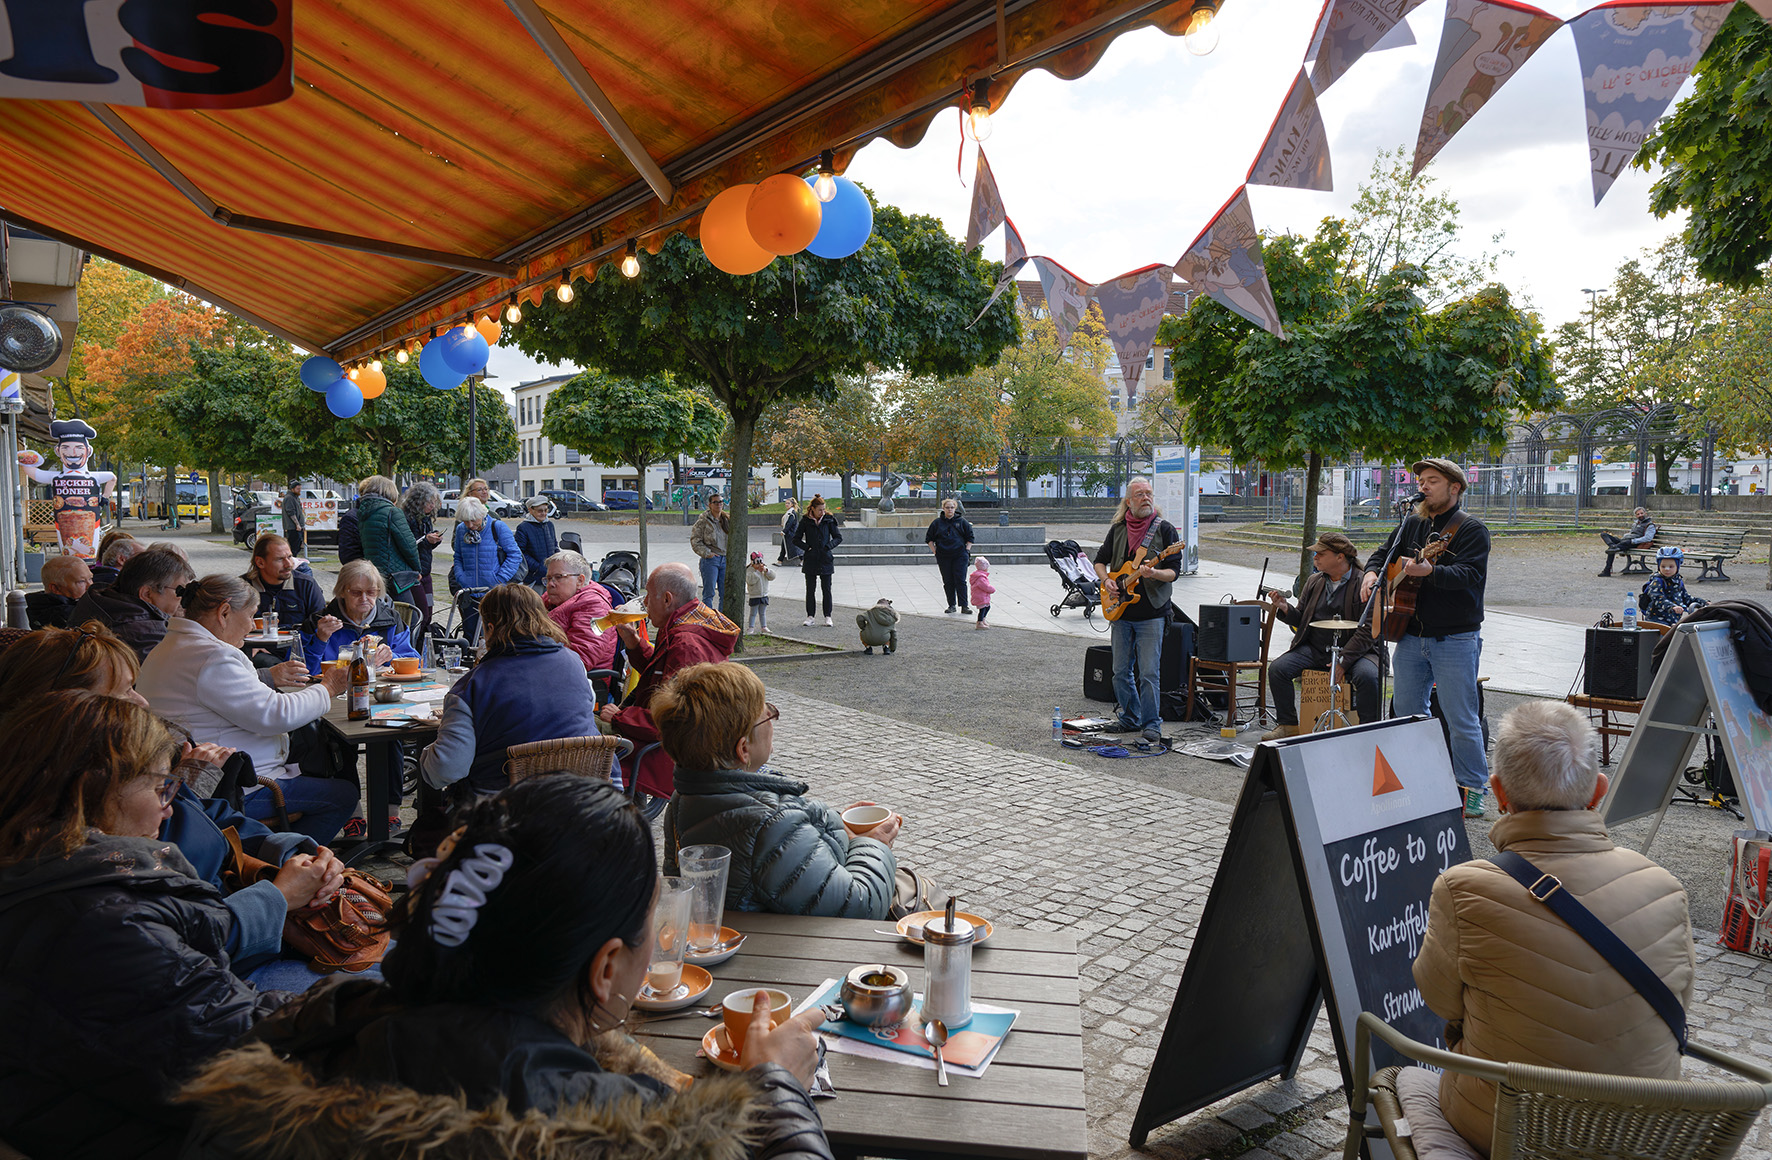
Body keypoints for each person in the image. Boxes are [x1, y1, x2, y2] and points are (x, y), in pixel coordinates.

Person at [178, 776, 833, 1160]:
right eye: (648, 932)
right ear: (606, 969)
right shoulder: (631, 1133)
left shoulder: (318, 1041)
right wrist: (778, 1092)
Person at [0, 691, 291, 1159]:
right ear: (92, 788)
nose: (170, 806)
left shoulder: (52, 872)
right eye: (161, 787)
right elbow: (247, 1055)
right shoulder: (97, 921)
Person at [1409, 702, 1695, 1159]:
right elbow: (1675, 1008)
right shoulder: (1665, 888)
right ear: (1598, 791)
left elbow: (1441, 1003)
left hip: (1507, 1130)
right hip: (1638, 1133)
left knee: (1409, 1076)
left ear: (1498, 791)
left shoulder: (1462, 888)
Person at [0, 625, 344, 977]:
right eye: (121, 693)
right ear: (67, 712)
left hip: (256, 930)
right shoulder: (82, 822)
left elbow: (213, 816)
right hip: (239, 959)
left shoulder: (128, 773)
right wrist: (276, 899)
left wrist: (294, 852)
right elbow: (176, 950)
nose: (141, 702)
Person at [659, 662, 899, 919]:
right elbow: (861, 905)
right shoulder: (769, 825)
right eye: (766, 714)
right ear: (743, 750)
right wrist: (873, 844)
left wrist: (839, 830)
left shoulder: (684, 799)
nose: (772, 719)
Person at [139, 574, 357, 843]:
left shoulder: (173, 646)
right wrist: (328, 689)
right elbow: (276, 714)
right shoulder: (213, 656)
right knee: (342, 795)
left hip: (192, 776)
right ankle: (287, 862)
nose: (252, 626)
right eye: (251, 616)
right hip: (233, 787)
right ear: (225, 612)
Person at [1360, 458, 1492, 818]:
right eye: (1421, 480)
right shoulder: (1412, 522)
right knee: (1406, 713)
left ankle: (1474, 787)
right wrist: (1371, 574)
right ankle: (1419, 779)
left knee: (1460, 717)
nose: (1423, 486)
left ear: (1455, 488)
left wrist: (1432, 570)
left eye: (1432, 481)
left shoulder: (1471, 530)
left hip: (1454, 638)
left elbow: (1469, 574)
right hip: (1409, 635)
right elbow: (1383, 554)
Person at [421, 584, 599, 797]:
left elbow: (445, 771)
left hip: (502, 808)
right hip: (582, 798)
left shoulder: (473, 686)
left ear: (490, 628)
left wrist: (426, 754)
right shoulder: (574, 663)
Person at [1264, 531, 1380, 740]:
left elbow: (1368, 630)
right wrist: (1284, 608)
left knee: (1368, 676)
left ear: (1340, 556)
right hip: (1317, 648)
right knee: (1278, 669)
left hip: (1358, 652)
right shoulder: (1313, 581)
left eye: (1320, 553)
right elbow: (1302, 620)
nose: (1315, 557)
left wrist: (1343, 662)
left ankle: (1368, 731)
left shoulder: (1364, 583)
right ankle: (1288, 724)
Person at [1093, 478, 1182, 743]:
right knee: (1120, 671)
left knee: (1149, 673)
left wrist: (1154, 572)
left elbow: (1174, 572)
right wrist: (1107, 580)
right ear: (1128, 501)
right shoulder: (1118, 528)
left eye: (1149, 493)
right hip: (1121, 612)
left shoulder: (1165, 530)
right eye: (1139, 494)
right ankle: (1130, 717)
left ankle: (1152, 724)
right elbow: (1099, 561)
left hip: (1152, 613)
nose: (1145, 498)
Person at [67, 545, 194, 662]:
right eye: (180, 591)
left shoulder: (100, 602)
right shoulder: (146, 636)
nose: (184, 599)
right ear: (146, 594)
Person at [302, 559, 420, 673]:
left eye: (371, 592)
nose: (364, 599)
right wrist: (320, 640)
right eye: (356, 592)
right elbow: (300, 671)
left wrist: (391, 657)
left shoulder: (391, 619)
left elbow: (417, 663)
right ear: (342, 592)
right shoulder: (319, 622)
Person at [449, 494, 521, 642]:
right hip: (469, 591)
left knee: (495, 633)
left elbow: (515, 555)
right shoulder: (462, 529)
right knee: (470, 634)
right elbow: (458, 556)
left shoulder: (497, 527)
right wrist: (461, 577)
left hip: (493, 590)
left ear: (482, 515)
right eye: (465, 521)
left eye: (473, 520)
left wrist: (498, 578)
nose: (469, 525)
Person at [544, 548, 617, 674]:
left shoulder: (594, 606)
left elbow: (580, 659)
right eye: (549, 578)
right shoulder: (552, 598)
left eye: (558, 577)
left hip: (582, 683)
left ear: (580, 581)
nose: (551, 584)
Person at [357, 475, 423, 605]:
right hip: (396, 576)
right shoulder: (392, 512)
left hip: (375, 573)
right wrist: (417, 569)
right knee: (410, 617)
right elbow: (408, 545)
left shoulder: (364, 514)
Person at [789, 494, 842, 627]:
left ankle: (828, 616)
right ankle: (810, 616)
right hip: (811, 559)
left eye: (823, 509)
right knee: (810, 589)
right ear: (812, 509)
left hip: (825, 558)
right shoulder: (806, 521)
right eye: (819, 510)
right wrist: (808, 548)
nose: (822, 512)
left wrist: (828, 546)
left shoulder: (829, 520)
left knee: (827, 589)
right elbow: (796, 539)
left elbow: (838, 537)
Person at [401, 481, 444, 640]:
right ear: (419, 501)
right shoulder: (406, 518)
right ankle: (416, 649)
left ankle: (423, 648)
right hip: (414, 575)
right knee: (422, 614)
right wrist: (426, 540)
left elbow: (424, 547)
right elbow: (409, 545)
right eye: (429, 502)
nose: (432, 506)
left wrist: (434, 541)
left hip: (426, 573)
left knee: (429, 613)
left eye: (434, 502)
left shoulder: (425, 519)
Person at [926, 497, 975, 614]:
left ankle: (964, 605)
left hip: (960, 555)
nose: (950, 510)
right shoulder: (937, 523)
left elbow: (970, 538)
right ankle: (951, 605)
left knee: (960, 580)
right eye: (947, 508)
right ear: (943, 509)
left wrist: (966, 551)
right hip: (943, 556)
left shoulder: (962, 522)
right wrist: (935, 552)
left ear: (955, 508)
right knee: (948, 581)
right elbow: (929, 539)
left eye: (952, 507)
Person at [1639, 545, 1708, 625]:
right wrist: (1671, 607)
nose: (1667, 569)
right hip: (1657, 620)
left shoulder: (1677, 580)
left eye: (1671, 566)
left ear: (1678, 566)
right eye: (1663, 566)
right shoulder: (1657, 580)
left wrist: (1703, 602)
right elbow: (1657, 598)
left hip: (1672, 619)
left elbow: (1686, 598)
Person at [26, 552, 92, 628]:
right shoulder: (67, 614)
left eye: (90, 579)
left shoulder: (39, 604)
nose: (90, 585)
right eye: (81, 581)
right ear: (55, 588)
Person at [691, 491, 730, 607]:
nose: (719, 504)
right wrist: (708, 553)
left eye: (721, 502)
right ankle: (708, 620)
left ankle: (721, 620)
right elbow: (695, 540)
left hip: (725, 559)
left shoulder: (727, 519)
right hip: (710, 560)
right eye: (715, 502)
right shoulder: (703, 521)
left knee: (724, 594)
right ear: (710, 505)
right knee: (709, 593)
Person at [513, 494, 559, 590]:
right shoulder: (523, 527)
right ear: (530, 510)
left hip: (550, 576)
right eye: (540, 511)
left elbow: (554, 546)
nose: (543, 513)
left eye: (546, 510)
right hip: (533, 577)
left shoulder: (549, 525)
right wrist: (538, 567)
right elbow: (521, 553)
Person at [1598, 506, 1656, 577]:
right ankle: (1612, 545)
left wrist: (1633, 541)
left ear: (1645, 513)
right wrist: (1625, 537)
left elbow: (1648, 538)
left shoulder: (1650, 525)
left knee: (1612, 550)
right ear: (1636, 516)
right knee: (1604, 534)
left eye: (1641, 513)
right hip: (1624, 541)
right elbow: (1631, 533)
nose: (1640, 515)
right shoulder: (1635, 523)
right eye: (1638, 514)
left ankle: (1607, 570)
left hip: (1634, 543)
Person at [746, 551, 776, 633]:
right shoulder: (749, 570)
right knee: (753, 613)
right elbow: (750, 581)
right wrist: (757, 572)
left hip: (764, 595)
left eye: (760, 562)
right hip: (754, 595)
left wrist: (767, 571)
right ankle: (751, 627)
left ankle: (764, 626)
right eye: (757, 563)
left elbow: (772, 577)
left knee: (762, 613)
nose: (759, 565)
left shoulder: (764, 569)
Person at [969, 555, 994, 630]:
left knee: (987, 607)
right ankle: (980, 622)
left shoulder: (979, 576)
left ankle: (983, 619)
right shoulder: (980, 577)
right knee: (982, 609)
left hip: (982, 596)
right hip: (980, 596)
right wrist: (992, 589)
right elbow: (985, 586)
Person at [282, 480, 306, 556]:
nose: (299, 491)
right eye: (298, 489)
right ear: (292, 489)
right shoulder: (289, 498)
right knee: (294, 547)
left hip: (297, 527)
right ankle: (292, 562)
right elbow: (291, 512)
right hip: (293, 527)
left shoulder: (295, 497)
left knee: (297, 546)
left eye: (300, 489)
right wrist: (297, 524)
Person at [778, 495, 801, 563]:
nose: (787, 504)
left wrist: (784, 531)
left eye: (788, 503)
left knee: (795, 547)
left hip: (791, 533)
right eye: (786, 503)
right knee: (784, 546)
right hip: (789, 533)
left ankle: (803, 559)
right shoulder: (789, 512)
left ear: (792, 504)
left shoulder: (791, 513)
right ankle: (780, 560)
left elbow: (789, 524)